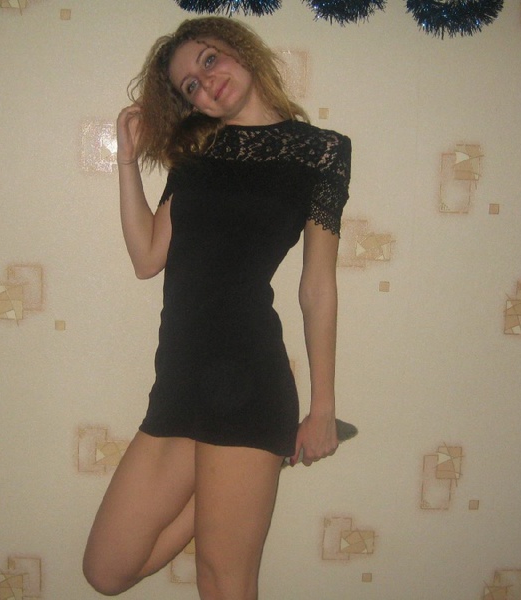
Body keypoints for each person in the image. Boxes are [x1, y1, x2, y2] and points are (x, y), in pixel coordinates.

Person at [83, 16, 351, 600]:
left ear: (239, 50)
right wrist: (126, 161)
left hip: (249, 379)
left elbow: (317, 286)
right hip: (179, 381)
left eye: (208, 61)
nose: (205, 83)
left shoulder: (321, 152)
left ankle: (255, 463)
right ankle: (249, 474)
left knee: (222, 581)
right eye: (190, 86)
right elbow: (148, 258)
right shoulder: (197, 153)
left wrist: (323, 408)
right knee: (106, 570)